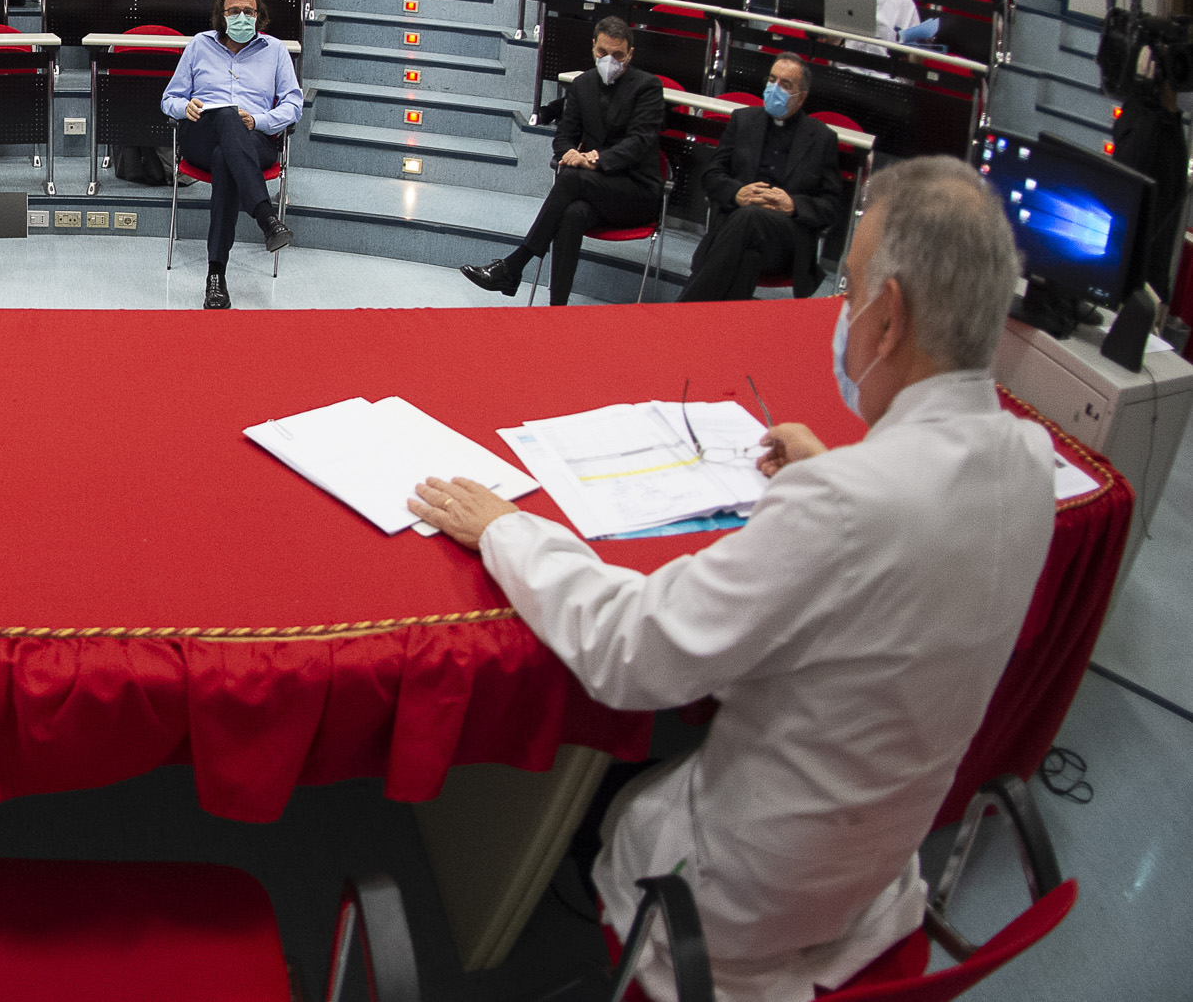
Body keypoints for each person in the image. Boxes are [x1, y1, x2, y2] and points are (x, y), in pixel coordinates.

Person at [412, 155, 1052, 1002]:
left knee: (597, 785)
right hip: (873, 873)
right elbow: (922, 522)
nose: (842, 313)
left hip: (735, 909)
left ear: (889, 316)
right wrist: (835, 472)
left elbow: (631, 651)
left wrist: (506, 528)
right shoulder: (1028, 460)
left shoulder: (842, 507)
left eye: (850, 289)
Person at [461, 16, 662, 305]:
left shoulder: (648, 87)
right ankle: (556, 309)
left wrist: (596, 160)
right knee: (572, 213)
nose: (609, 60)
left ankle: (515, 264)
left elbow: (639, 142)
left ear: (630, 54)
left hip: (636, 193)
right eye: (602, 52)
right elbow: (564, 136)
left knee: (571, 178)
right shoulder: (582, 85)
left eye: (618, 55)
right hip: (592, 190)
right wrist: (569, 152)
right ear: (593, 47)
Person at [162, 0, 302, 309]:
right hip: (202, 133)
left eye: (248, 11)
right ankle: (266, 217)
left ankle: (216, 275)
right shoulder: (199, 45)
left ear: (258, 16)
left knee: (226, 157)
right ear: (221, 16)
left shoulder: (276, 51)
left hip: (254, 138)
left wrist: (259, 120)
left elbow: (293, 105)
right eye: (234, 11)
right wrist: (185, 107)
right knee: (225, 114)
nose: (241, 16)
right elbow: (169, 99)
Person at [676, 55, 843, 302]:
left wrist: (793, 205)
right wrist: (737, 193)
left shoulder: (821, 138)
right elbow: (711, 175)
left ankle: (683, 309)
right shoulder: (743, 120)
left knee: (749, 217)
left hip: (785, 241)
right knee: (748, 257)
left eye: (786, 84)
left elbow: (831, 206)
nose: (775, 88)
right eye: (772, 80)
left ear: (802, 97)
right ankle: (710, 324)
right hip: (738, 234)